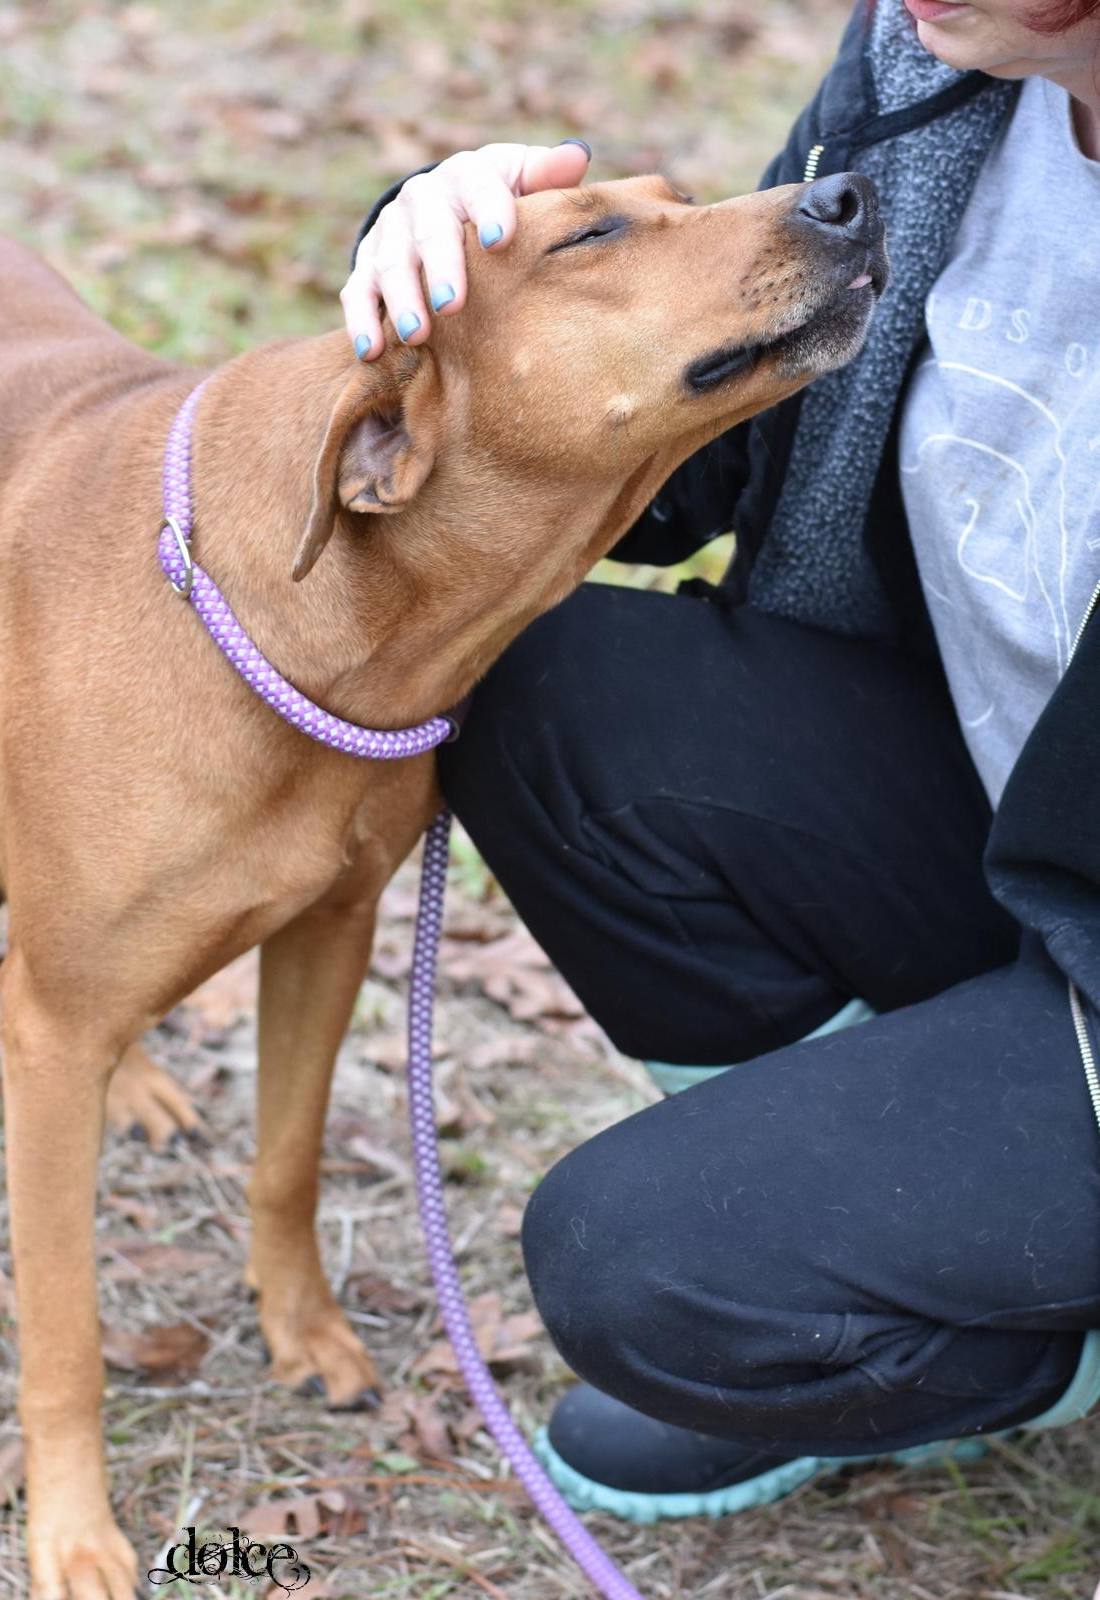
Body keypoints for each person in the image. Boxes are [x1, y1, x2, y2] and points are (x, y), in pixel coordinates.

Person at [343, 0, 1100, 1521]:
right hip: (1021, 834)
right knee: (557, 687)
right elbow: (698, 446)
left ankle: (1011, 1292)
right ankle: (961, 1264)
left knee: (643, 1265)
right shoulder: (940, 75)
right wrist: (452, 260)